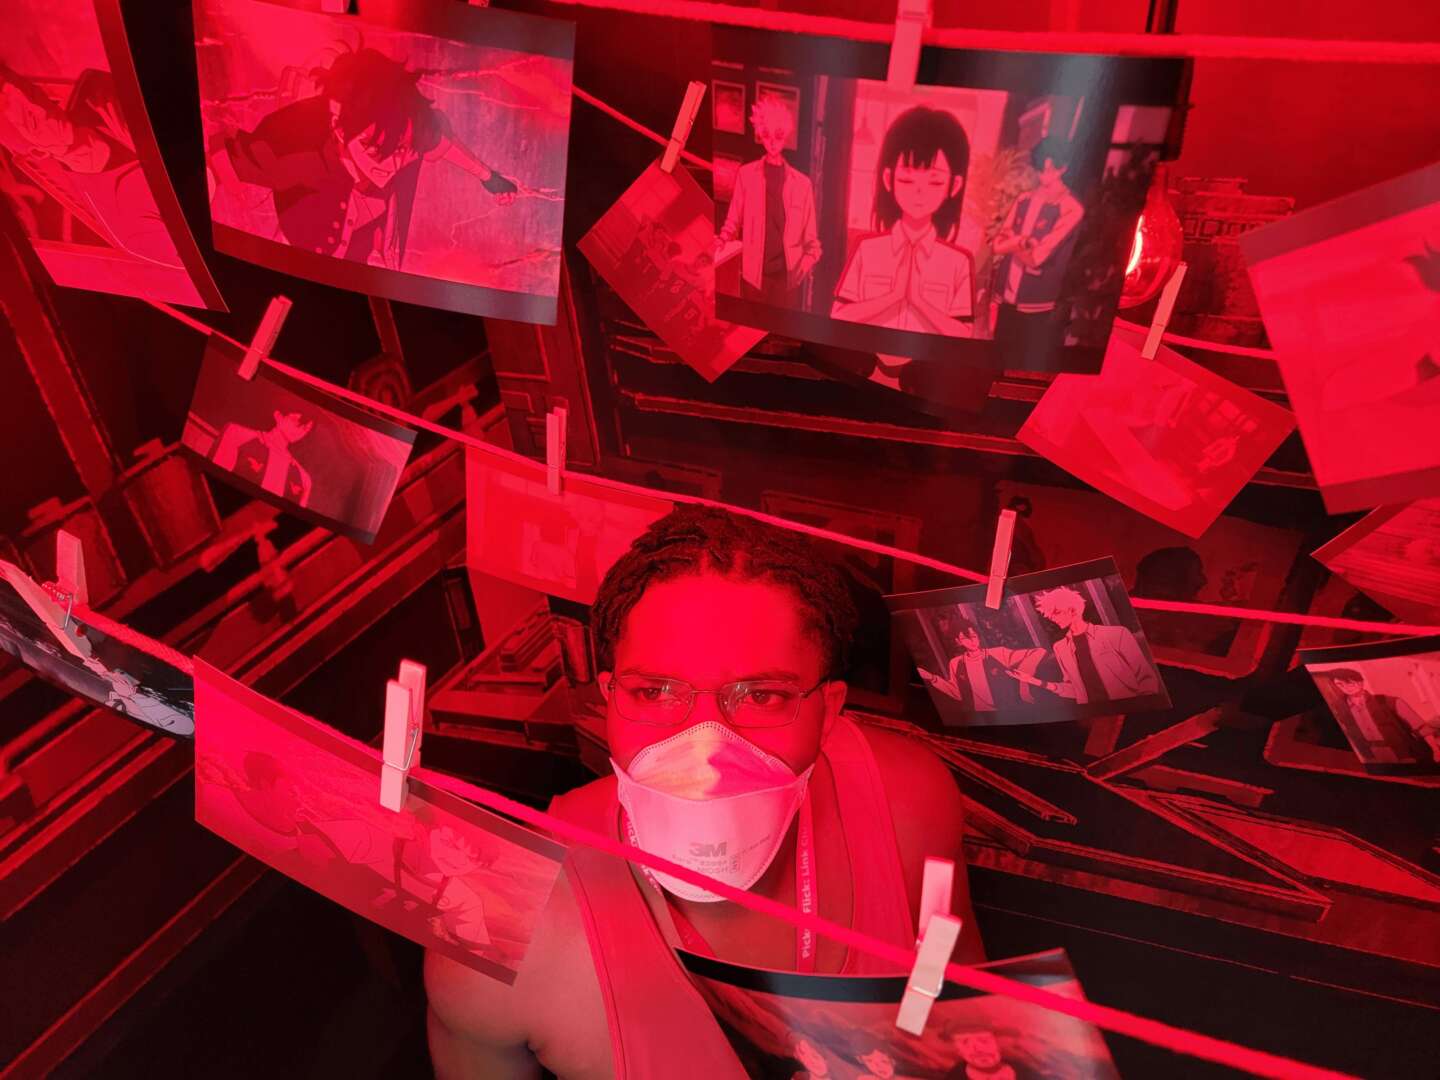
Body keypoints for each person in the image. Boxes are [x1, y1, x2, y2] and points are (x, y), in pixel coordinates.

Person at [424, 505, 985, 1078]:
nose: (707, 758)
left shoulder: (909, 805)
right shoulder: (497, 934)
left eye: (761, 696)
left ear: (828, 712)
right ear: (609, 698)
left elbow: (966, 1015)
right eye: (656, 692)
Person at [207, 46, 518, 270]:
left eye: (401, 151)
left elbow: (443, 143)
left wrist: (490, 178)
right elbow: (220, 161)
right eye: (373, 150)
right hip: (301, 251)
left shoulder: (413, 128)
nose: (389, 166)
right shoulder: (295, 147)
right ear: (338, 124)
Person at [832, 106, 976, 338]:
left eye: (935, 182)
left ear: (954, 186)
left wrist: (919, 302)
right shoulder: (867, 249)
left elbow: (964, 333)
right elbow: (839, 315)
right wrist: (891, 298)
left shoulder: (958, 263)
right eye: (907, 180)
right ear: (888, 179)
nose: (919, 192)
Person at [716, 96, 821, 307]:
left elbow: (812, 243)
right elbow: (733, 221)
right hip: (753, 279)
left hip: (787, 282)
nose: (772, 142)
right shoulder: (746, 175)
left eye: (778, 135)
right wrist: (722, 240)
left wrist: (802, 269)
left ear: (786, 134)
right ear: (760, 135)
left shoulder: (802, 185)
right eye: (766, 135)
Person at [991, 135, 1085, 363]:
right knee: (996, 356)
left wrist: (1014, 242)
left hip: (1037, 303)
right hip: (1005, 297)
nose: (1044, 175)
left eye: (1050, 169)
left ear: (1063, 168)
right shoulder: (1024, 199)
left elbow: (1037, 258)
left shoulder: (1070, 208)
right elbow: (997, 245)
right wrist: (1022, 242)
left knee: (1022, 360)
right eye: (1041, 168)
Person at [1033, 585, 1160, 705]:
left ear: (1073, 610)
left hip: (1127, 706)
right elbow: (1074, 689)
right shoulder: (1060, 648)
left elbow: (1145, 676)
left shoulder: (1116, 634)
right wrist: (1038, 682)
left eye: (1056, 612)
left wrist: (1144, 704)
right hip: (1094, 712)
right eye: (1050, 615)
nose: (1052, 618)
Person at [917, 614, 1052, 714]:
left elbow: (1039, 652)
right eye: (965, 638)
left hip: (1008, 712)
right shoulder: (956, 663)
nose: (972, 641)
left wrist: (1024, 680)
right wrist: (932, 679)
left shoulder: (998, 653)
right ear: (958, 641)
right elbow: (958, 693)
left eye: (973, 636)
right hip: (980, 717)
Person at [1323, 668, 1439, 765]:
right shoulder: (1340, 709)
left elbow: (1422, 729)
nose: (1346, 687)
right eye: (1340, 684)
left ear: (1360, 682)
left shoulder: (1390, 702)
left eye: (1350, 682)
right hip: (1372, 759)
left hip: (1403, 755)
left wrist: (1436, 750)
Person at [210, 410, 316, 508]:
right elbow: (213, 485)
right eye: (296, 421)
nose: (299, 430)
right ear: (278, 416)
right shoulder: (237, 434)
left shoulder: (304, 479)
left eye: (305, 429)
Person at [941, 1023, 1025, 1080]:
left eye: (984, 1040)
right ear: (958, 1051)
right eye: (965, 1043)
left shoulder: (1022, 1070)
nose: (978, 1049)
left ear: (998, 1043)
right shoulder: (955, 1076)